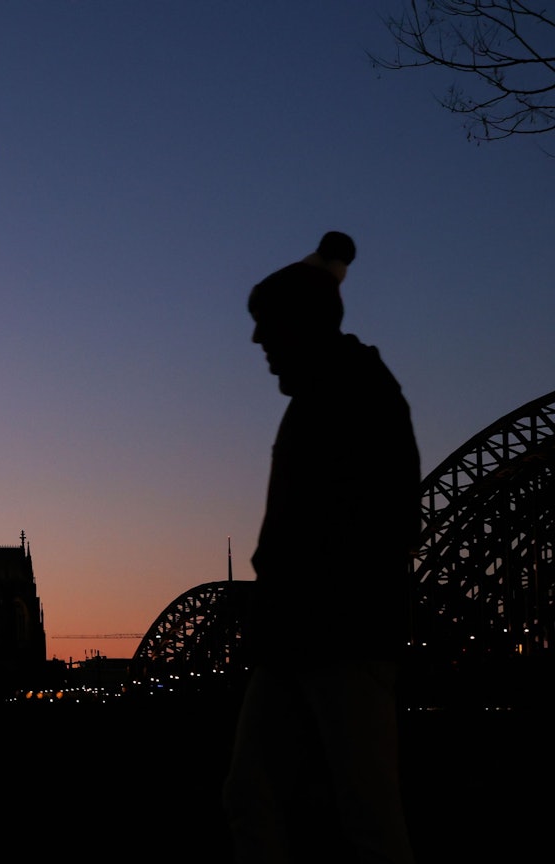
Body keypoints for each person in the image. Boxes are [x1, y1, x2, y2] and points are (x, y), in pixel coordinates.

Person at [224, 232, 419, 863]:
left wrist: (306, 600)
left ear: (301, 324)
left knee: (363, 816)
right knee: (257, 800)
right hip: (298, 637)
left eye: (267, 324)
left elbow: (382, 523)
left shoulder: (355, 391)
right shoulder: (326, 391)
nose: (257, 339)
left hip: (341, 636)